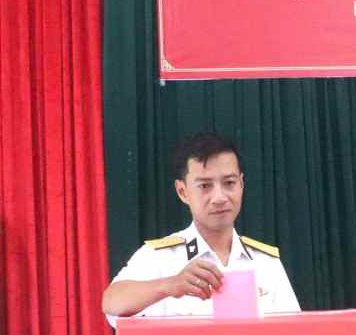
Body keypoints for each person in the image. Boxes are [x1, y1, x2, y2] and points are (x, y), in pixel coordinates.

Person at [102, 131, 299, 324]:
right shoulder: (160, 258)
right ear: (183, 191)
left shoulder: (266, 263)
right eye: (205, 186)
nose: (220, 197)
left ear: (241, 184)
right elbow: (111, 301)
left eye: (229, 183)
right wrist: (170, 285)